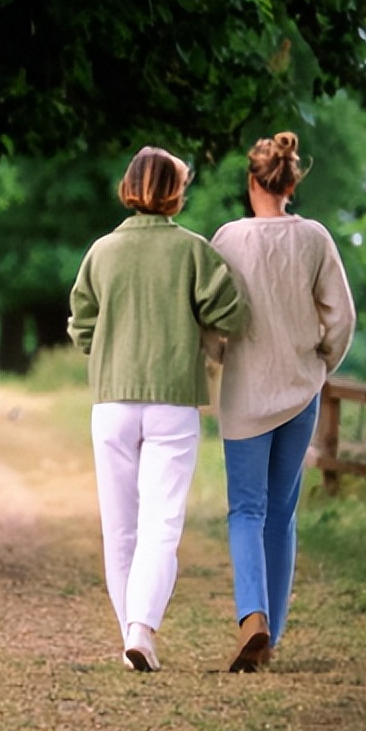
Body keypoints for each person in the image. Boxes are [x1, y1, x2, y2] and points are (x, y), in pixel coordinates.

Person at [68, 146, 247, 672]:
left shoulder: (102, 251)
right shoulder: (193, 251)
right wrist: (196, 330)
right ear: (176, 191)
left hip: (112, 400)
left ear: (129, 186)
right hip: (172, 400)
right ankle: (141, 630)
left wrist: (106, 346)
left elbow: (82, 324)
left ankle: (133, 635)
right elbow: (231, 312)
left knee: (119, 526)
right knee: (161, 522)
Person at [207, 131, 356, 672]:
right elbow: (342, 318)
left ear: (253, 183)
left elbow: (209, 316)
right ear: (292, 182)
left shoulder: (226, 239)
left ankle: (254, 618)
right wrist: (319, 364)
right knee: (281, 513)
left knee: (245, 509)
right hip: (299, 394)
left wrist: (224, 354)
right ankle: (273, 635)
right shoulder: (315, 238)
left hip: (245, 394)